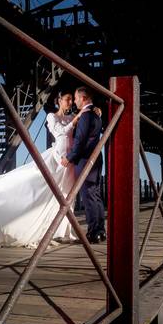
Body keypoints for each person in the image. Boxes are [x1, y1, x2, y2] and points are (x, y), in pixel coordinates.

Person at [0, 91, 97, 248]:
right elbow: (60, 132)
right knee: (43, 191)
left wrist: (93, 112)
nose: (70, 103)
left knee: (66, 194)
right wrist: (76, 119)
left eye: (71, 100)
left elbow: (83, 127)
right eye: (67, 99)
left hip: (68, 160)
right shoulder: (51, 117)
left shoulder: (71, 117)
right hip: (57, 159)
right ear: (59, 101)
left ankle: (65, 231)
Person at [61, 87, 106, 243]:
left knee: (88, 197)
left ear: (84, 98)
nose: (75, 101)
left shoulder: (86, 116)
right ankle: (100, 231)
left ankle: (93, 233)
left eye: (76, 98)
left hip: (86, 161)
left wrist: (69, 158)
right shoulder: (96, 115)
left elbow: (80, 141)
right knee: (95, 195)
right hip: (96, 159)